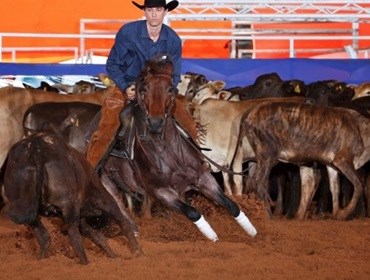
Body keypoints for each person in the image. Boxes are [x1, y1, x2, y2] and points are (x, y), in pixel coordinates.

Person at [85, 0, 199, 170]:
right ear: (144, 11)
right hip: (128, 86)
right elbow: (112, 65)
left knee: (188, 121)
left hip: (158, 92)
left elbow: (174, 75)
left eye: (158, 10)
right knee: (109, 121)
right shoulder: (128, 33)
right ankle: (89, 171)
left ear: (165, 12)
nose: (154, 14)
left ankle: (199, 165)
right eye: (150, 9)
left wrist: (166, 93)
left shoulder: (173, 40)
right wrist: (125, 87)